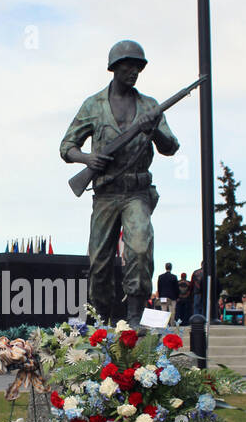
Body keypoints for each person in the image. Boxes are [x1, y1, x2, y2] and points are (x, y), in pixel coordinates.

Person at [60, 40, 180, 326]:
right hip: (106, 192)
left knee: (139, 248)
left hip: (137, 191)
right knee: (99, 262)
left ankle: (136, 316)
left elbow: (170, 146)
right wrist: (88, 159)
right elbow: (66, 147)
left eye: (138, 67)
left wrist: (154, 131)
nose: (134, 72)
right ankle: (101, 319)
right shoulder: (93, 105)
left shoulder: (149, 106)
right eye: (128, 67)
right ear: (114, 68)